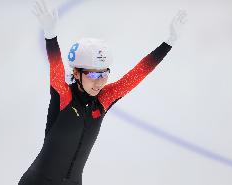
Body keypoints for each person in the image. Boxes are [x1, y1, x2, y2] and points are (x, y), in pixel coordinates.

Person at [18, 0, 187, 184]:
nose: (99, 82)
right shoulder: (64, 96)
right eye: (92, 74)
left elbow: (138, 73)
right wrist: (50, 36)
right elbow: (56, 65)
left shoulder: (103, 100)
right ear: (76, 72)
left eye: (104, 74)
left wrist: (169, 42)